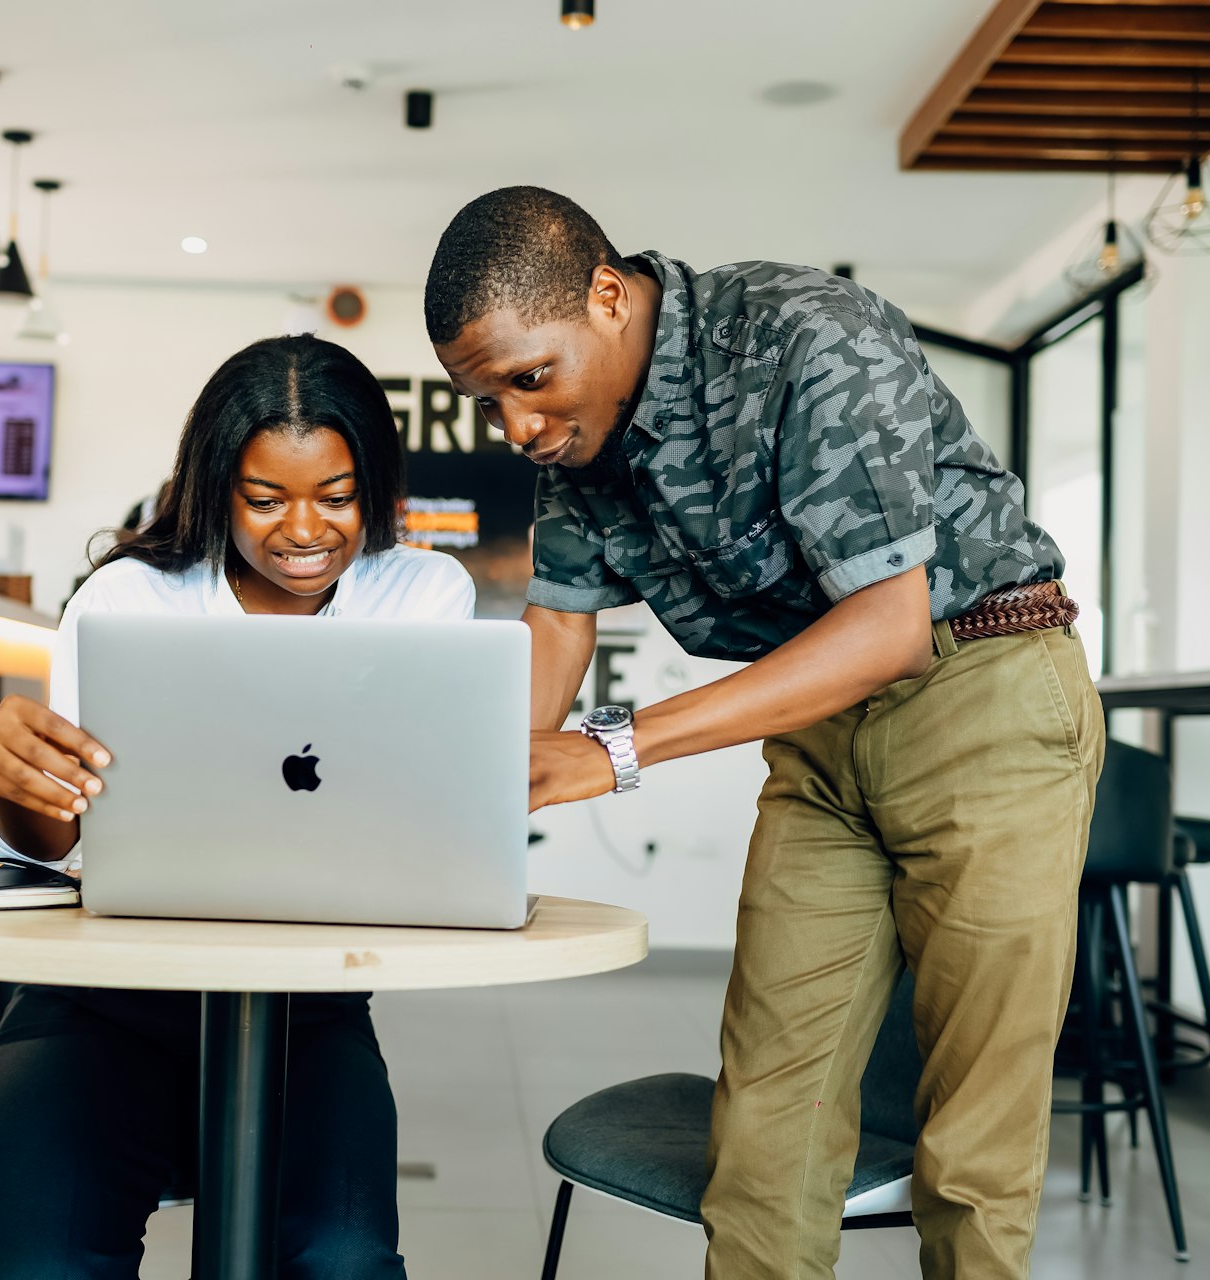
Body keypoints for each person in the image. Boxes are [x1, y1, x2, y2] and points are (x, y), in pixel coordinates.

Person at [425, 187, 1104, 1280]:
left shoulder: (801, 335)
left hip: (987, 694)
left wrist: (614, 749)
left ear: (607, 296)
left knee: (972, 1148)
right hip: (824, 741)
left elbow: (888, 625)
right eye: (486, 398)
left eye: (526, 378)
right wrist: (477, 808)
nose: (514, 424)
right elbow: (559, 624)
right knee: (765, 1132)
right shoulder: (573, 440)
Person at [0, 334, 474, 1280]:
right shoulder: (131, 598)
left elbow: (416, 830)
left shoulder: (423, 594)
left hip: (306, 1020)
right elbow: (54, 845)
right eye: (265, 499)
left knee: (347, 1265)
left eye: (338, 497)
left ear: (379, 488)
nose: (304, 530)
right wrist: (11, 784)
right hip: (100, 1010)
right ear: (215, 485)